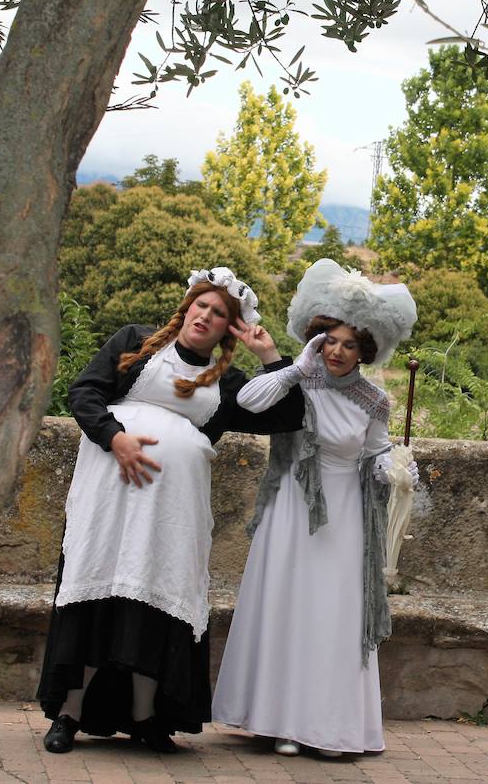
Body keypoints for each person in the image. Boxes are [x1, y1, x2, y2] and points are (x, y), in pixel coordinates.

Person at [36, 266, 304, 754]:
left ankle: (147, 718)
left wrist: (270, 356)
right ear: (187, 307)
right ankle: (68, 715)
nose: (206, 315)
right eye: (202, 305)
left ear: (229, 329)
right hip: (109, 504)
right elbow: (84, 393)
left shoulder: (230, 385)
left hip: (169, 517)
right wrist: (116, 439)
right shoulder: (136, 342)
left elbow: (287, 418)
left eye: (219, 313)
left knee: (154, 608)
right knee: (94, 602)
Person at [212, 259, 418, 757]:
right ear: (317, 341)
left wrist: (393, 469)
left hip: (344, 518)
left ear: (364, 350)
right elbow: (249, 400)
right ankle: (276, 720)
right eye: (331, 342)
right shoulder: (299, 380)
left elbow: (375, 450)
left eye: (350, 345)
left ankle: (326, 725)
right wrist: (295, 369)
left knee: (330, 613)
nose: (339, 352)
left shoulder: (375, 401)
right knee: (286, 604)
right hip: (289, 505)